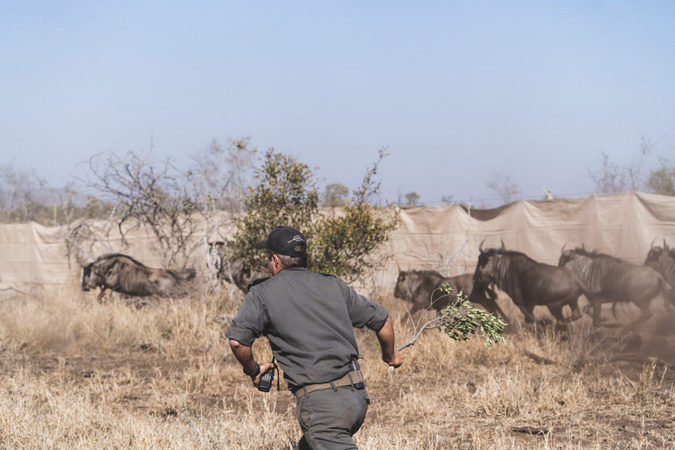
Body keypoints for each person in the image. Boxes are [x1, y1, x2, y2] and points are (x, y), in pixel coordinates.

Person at [226, 225, 403, 449]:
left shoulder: (262, 293)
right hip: (356, 398)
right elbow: (383, 321)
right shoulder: (333, 284)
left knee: (325, 436)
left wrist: (253, 370)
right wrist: (390, 356)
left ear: (275, 260)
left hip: (322, 408)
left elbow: (237, 342)